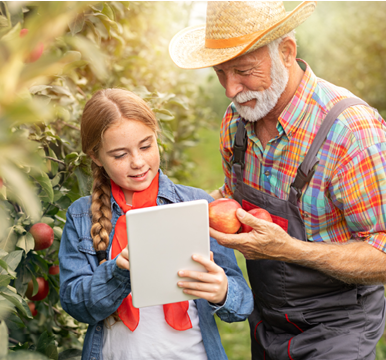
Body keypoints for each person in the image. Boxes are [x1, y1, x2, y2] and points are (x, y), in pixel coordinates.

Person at [169, 1, 386, 359]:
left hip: (339, 330)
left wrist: (289, 249)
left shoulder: (350, 133)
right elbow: (232, 200)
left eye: (243, 70)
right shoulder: (237, 122)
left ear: (286, 51)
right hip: (267, 325)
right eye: (221, 72)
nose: (231, 90)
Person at [58, 88, 253, 360]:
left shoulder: (196, 205)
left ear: (156, 138)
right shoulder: (81, 216)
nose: (138, 162)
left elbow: (242, 304)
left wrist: (222, 291)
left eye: (146, 146)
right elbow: (76, 304)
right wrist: (118, 273)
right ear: (96, 156)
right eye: (119, 155)